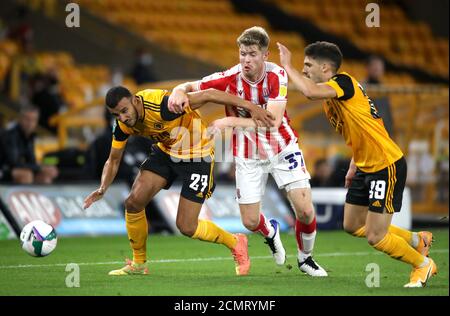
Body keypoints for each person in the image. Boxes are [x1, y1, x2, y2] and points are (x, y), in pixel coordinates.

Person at [169, 26, 328, 277]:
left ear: (265, 55)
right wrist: (178, 91)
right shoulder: (229, 77)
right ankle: (271, 232)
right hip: (248, 156)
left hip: (282, 148)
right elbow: (190, 86)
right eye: (243, 53)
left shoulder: (277, 76)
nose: (246, 59)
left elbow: (272, 121)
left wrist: (228, 122)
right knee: (250, 222)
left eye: (252, 54)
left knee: (305, 210)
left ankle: (305, 259)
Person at [277, 41, 436, 287]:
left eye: (308, 65)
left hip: (386, 164)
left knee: (375, 236)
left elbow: (309, 91)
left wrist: (287, 65)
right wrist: (354, 165)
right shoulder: (331, 101)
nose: (304, 69)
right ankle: (417, 240)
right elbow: (363, 131)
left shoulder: (345, 83)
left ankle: (422, 265)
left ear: (326, 68)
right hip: (364, 165)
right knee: (351, 225)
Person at [83, 85, 275, 276]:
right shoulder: (123, 125)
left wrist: (252, 108)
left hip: (198, 155)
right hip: (167, 152)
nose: (123, 118)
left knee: (186, 226)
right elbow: (113, 159)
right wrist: (102, 188)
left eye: (124, 111)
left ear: (135, 101)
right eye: (116, 115)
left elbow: (209, 94)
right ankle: (139, 263)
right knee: (133, 203)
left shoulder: (164, 106)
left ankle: (235, 242)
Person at [0, 105, 58, 184]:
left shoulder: (30, 137)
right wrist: (40, 168)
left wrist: (44, 168)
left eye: (33, 120)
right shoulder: (10, 135)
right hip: (3, 170)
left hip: (11, 169)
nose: (30, 123)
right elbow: (14, 163)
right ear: (20, 118)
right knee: (26, 175)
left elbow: (31, 161)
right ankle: (21, 196)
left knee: (45, 176)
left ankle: (39, 196)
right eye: (27, 119)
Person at [363, 55, 394, 136]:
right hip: (366, 130)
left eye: (380, 67)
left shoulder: (384, 90)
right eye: (375, 66)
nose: (378, 69)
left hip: (382, 132)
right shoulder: (360, 88)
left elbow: (387, 114)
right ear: (367, 68)